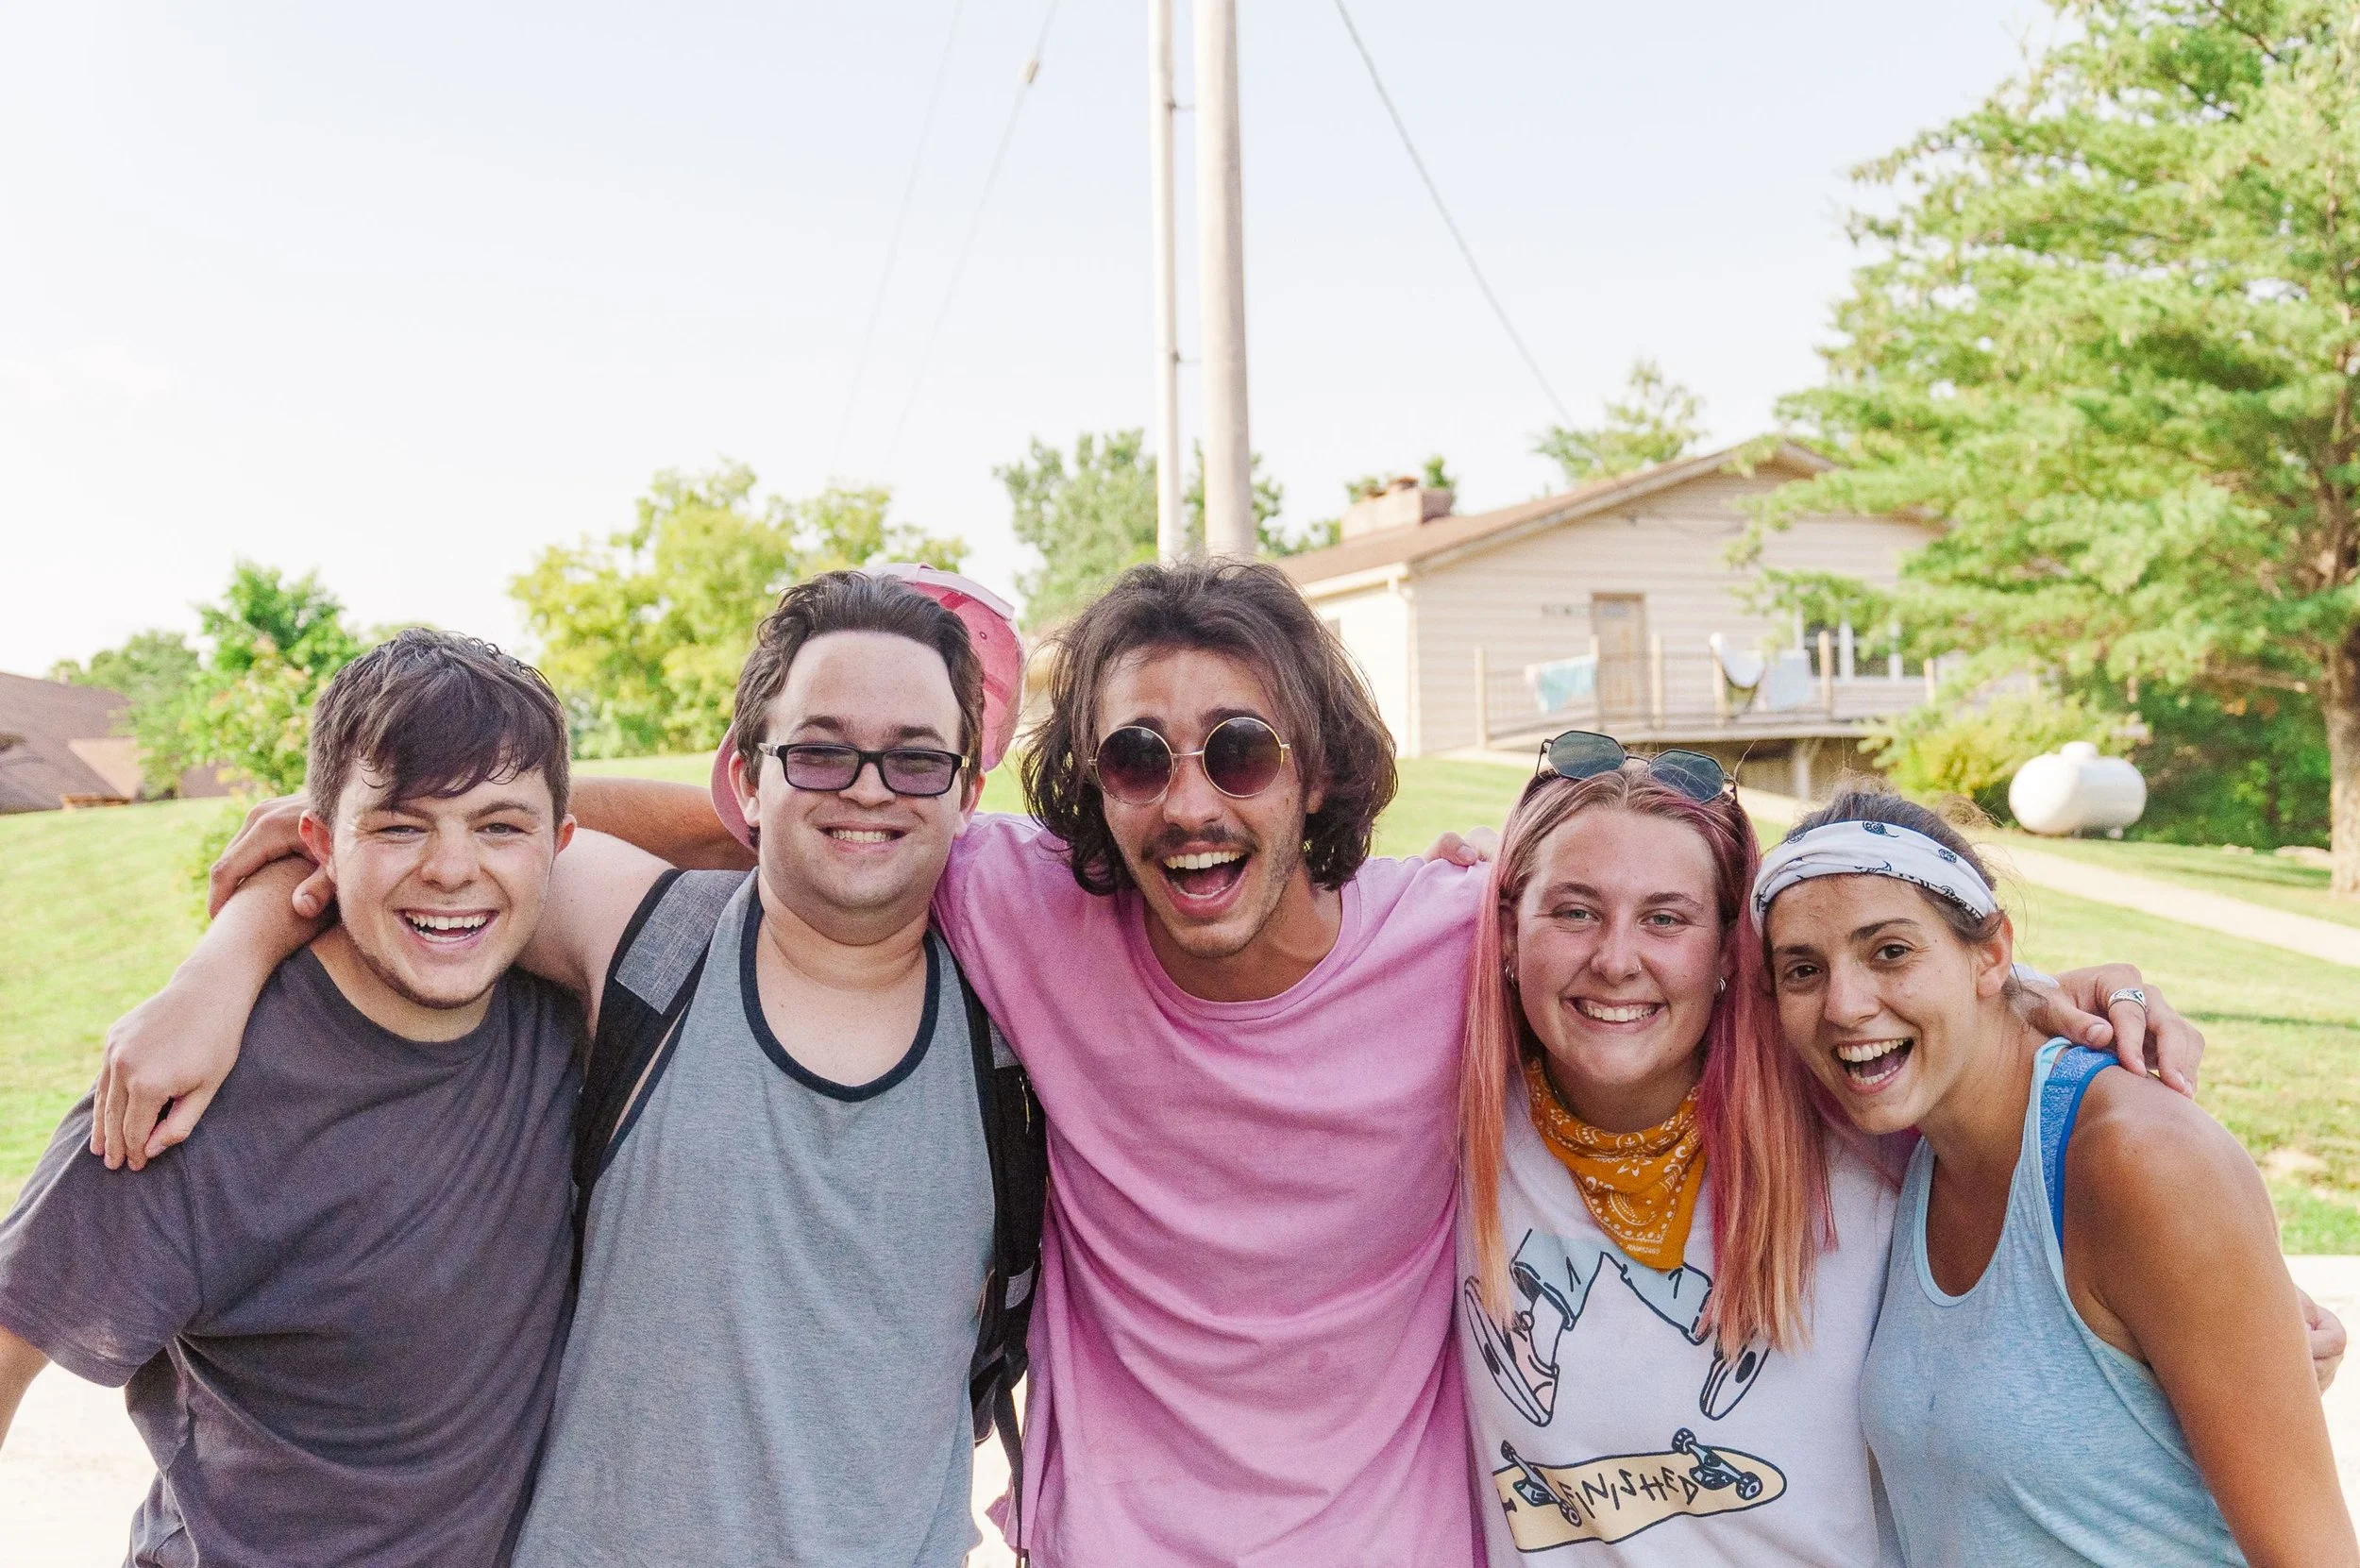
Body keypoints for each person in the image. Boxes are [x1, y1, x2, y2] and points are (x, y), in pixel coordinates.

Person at [154, 561, 2199, 1565]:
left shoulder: (1459, 934)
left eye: (1235, 748)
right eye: (1134, 753)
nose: (1186, 793)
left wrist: (2044, 1004)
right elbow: (709, 809)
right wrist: (305, 870)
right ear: (1076, 792)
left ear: (1313, 774)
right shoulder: (1016, 902)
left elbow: (1744, 967)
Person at [89, 570, 1042, 1568]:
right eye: (818, 750)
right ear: (746, 778)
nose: (867, 786)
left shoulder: (1024, 1028)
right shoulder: (648, 937)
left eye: (916, 760)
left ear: (969, 793)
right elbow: (430, 844)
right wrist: (221, 965)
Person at [0, 629, 587, 1565]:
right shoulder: (188, 1094)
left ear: (560, 843)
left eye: (499, 824)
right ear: (317, 842)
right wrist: (229, 956)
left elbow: (762, 830)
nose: (450, 865)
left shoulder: (570, 1014)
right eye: (398, 823)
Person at [1758, 787, 2359, 1567]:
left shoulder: (2134, 1157)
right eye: (1803, 969)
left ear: (1992, 951)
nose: (1845, 1004)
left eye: (1891, 951)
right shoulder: (1909, 1145)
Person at [1457, 738, 1898, 1566]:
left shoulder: (1865, 1137)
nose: (1616, 959)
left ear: (1732, 952)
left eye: (1665, 918)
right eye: (1575, 910)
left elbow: (1953, 1009)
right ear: (1509, 933)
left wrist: (2066, 1002)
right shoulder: (1455, 1124)